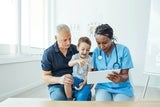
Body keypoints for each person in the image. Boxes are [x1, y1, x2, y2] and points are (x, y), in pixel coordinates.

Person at [92, 24, 134, 101]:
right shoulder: (96, 52)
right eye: (98, 43)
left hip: (121, 88)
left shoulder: (124, 50)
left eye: (105, 43)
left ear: (111, 39)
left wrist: (120, 78)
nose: (101, 46)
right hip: (103, 87)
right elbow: (93, 72)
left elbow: (125, 75)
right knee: (102, 104)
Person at [41, 24, 79, 101]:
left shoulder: (75, 49)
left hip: (75, 83)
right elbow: (45, 77)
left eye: (70, 39)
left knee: (84, 97)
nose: (68, 43)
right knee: (59, 99)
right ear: (56, 38)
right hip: (57, 85)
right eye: (65, 40)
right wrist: (60, 80)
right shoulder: (48, 53)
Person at [65, 37, 93, 101]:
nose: (85, 52)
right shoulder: (75, 56)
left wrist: (84, 83)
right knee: (67, 80)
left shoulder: (90, 59)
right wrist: (77, 61)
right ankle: (69, 99)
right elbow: (69, 64)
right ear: (77, 48)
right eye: (82, 49)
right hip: (74, 79)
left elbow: (89, 73)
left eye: (88, 50)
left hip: (84, 80)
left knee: (81, 98)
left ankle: (81, 97)